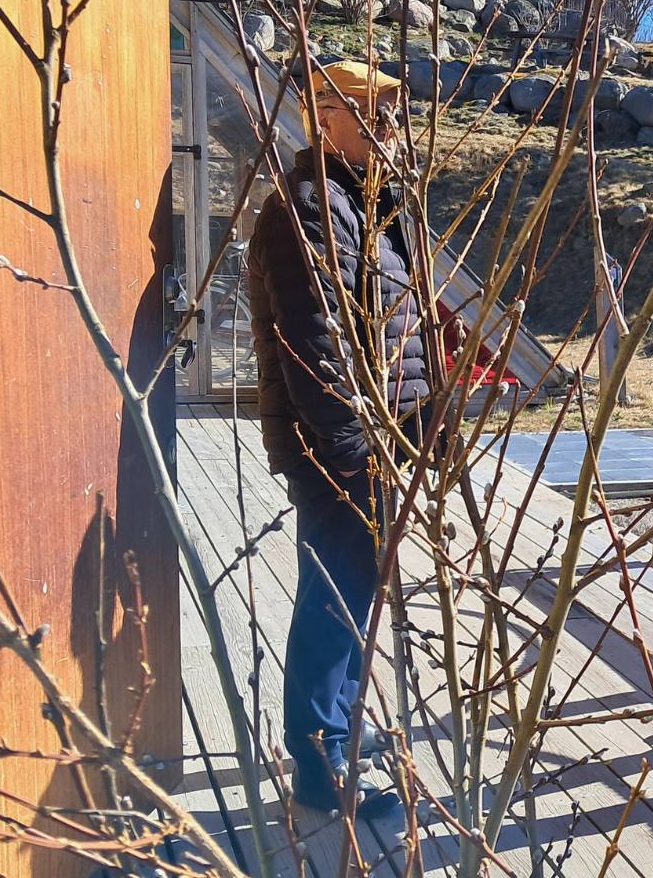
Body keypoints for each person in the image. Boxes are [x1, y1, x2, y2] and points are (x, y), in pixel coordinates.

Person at [246, 61, 429, 817]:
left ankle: (342, 733)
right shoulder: (311, 210)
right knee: (335, 597)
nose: (393, 132)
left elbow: (400, 324)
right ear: (326, 118)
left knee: (356, 593)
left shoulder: (367, 205)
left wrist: (424, 427)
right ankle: (322, 765)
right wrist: (353, 452)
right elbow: (314, 346)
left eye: (396, 116)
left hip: (384, 441)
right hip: (344, 449)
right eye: (376, 116)